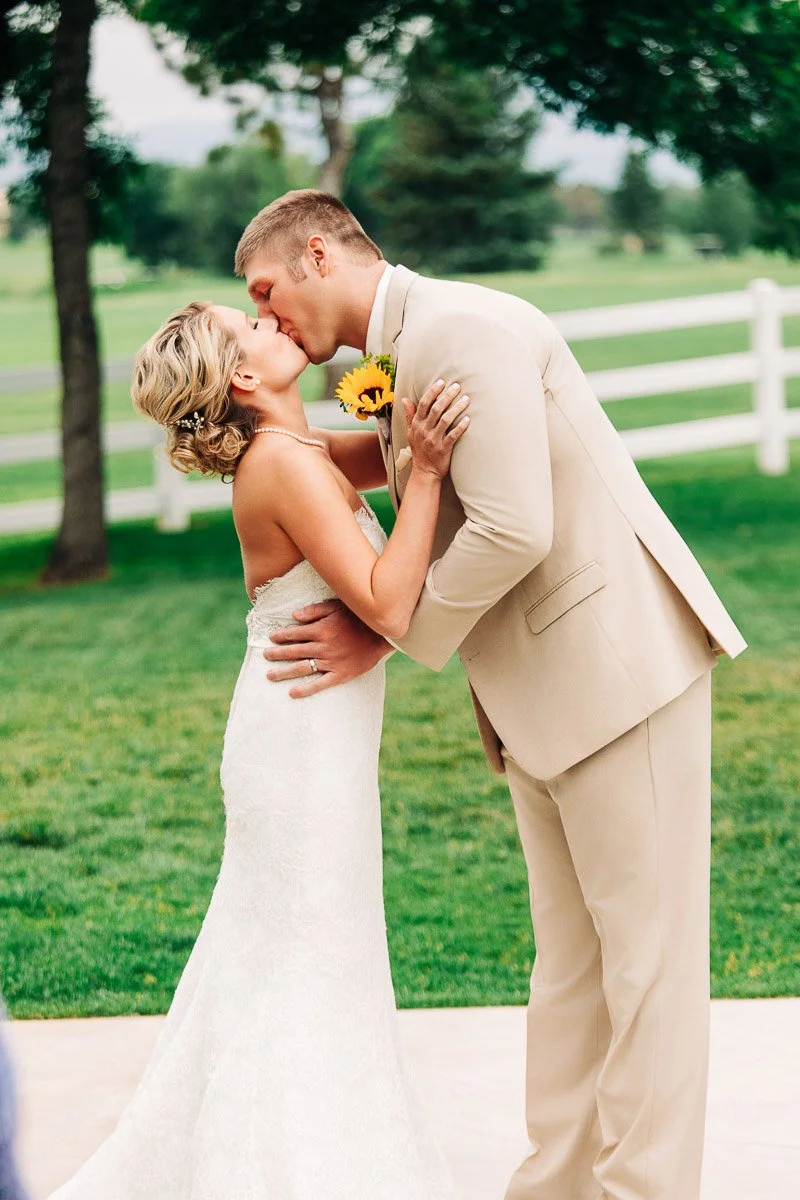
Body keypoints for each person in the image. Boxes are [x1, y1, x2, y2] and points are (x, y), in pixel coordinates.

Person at [235, 189, 748, 1200]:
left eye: (264, 290)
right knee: (567, 972)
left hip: (616, 675)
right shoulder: (398, 352)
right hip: (538, 700)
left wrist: (390, 631)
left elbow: (516, 526)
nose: (266, 313)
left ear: (315, 252)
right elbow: (402, 474)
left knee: (646, 973)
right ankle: (551, 1187)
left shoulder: (457, 330)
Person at [44, 299, 469, 1199]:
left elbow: (382, 454)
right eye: (257, 327)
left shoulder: (299, 450)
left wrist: (405, 416)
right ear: (243, 377)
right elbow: (389, 603)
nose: (278, 325)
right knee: (305, 956)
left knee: (308, 951)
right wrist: (425, 475)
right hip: (300, 745)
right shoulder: (280, 466)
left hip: (314, 734)